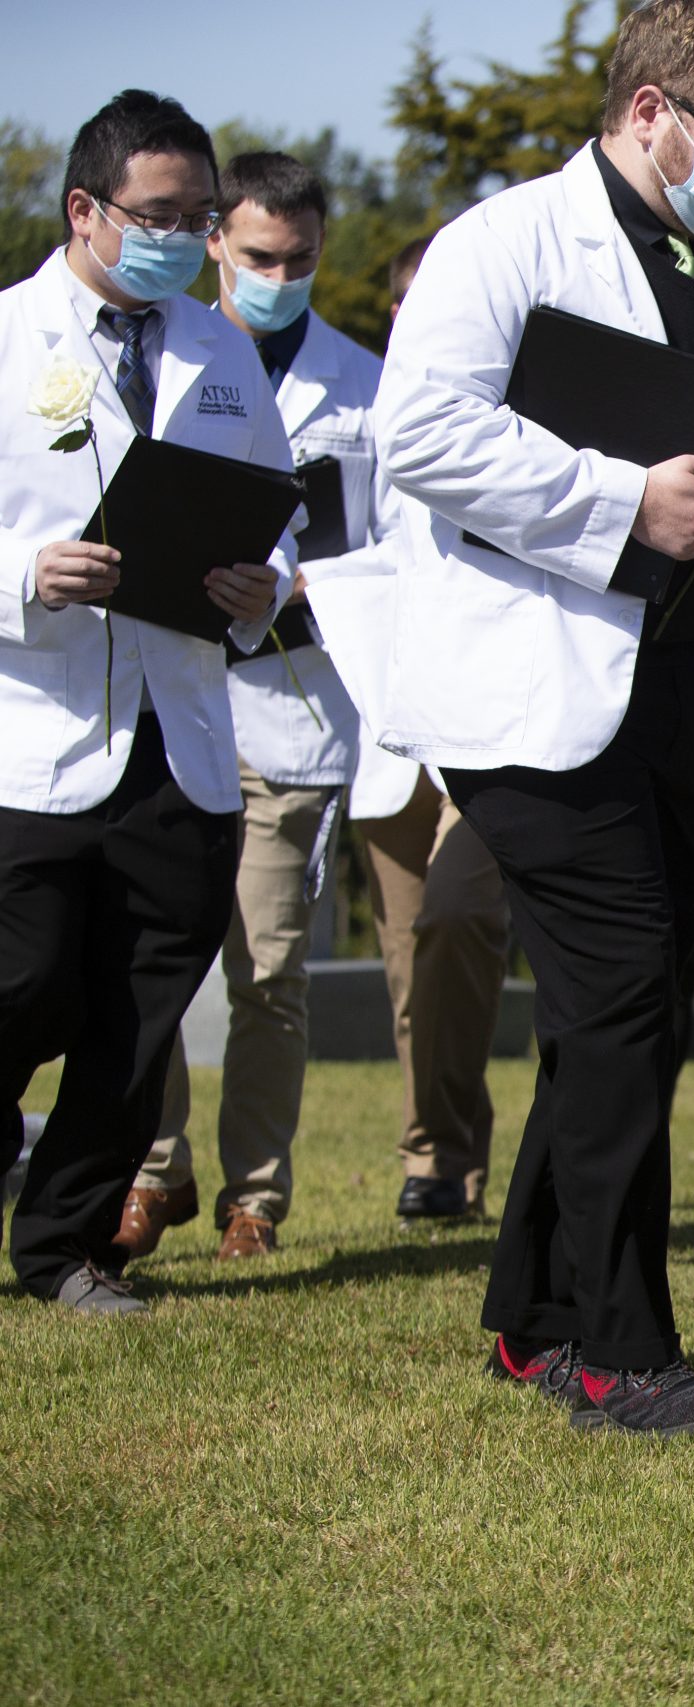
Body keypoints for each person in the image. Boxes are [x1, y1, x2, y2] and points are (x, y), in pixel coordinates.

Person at [374, 0, 694, 1434]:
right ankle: (622, 1353)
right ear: (651, 114)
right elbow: (424, 431)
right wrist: (617, 496)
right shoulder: (503, 244)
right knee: (625, 999)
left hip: (689, 695)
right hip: (535, 688)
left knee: (619, 1018)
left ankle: (532, 1311)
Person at [0, 90, 291, 1316]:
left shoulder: (218, 345)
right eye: (160, 216)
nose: (186, 237)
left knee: (139, 1010)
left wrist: (253, 590)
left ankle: (67, 1248)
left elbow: (274, 513)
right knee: (23, 988)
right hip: (35, 736)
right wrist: (24, 572)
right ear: (85, 210)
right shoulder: (9, 337)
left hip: (181, 743)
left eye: (200, 216)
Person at [117, 151, 378, 1263]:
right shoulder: (157, 353)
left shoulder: (366, 385)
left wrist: (303, 590)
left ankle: (254, 1200)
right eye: (261, 255)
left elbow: (392, 548)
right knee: (154, 963)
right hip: (165, 699)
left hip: (291, 708)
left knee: (266, 967)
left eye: (303, 260)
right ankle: (151, 1170)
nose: (281, 276)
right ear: (216, 240)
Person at [323, 237, 511, 1223]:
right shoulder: (354, 411)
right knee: (407, 958)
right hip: (382, 717)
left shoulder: (519, 417)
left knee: (457, 917)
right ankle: (434, 1161)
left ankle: (450, 1153)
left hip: (486, 720)